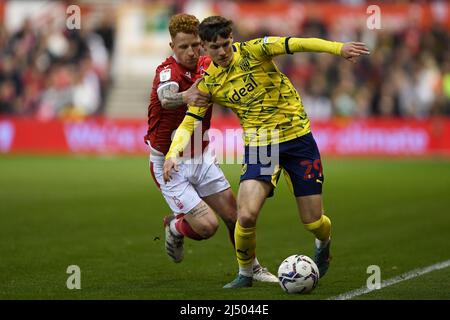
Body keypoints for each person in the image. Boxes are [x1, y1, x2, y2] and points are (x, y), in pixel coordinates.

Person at [163, 16, 370, 288]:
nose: (222, 52)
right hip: (262, 143)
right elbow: (190, 121)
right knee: (246, 214)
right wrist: (172, 153)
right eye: (215, 47)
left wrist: (338, 48)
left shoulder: (256, 50)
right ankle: (245, 274)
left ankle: (323, 242)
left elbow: (298, 43)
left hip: (298, 139)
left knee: (313, 221)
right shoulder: (208, 83)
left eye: (226, 44)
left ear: (232, 39)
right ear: (204, 47)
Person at [145, 13, 278, 283]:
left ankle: (252, 268)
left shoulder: (210, 64)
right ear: (173, 47)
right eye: (183, 47)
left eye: (195, 45)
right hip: (170, 164)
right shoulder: (167, 72)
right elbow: (166, 97)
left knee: (236, 216)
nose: (191, 52)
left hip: (202, 156)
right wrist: (186, 95)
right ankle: (175, 226)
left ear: (203, 43)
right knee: (207, 227)